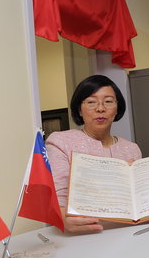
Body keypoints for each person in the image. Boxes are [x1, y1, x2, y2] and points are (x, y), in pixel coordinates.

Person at [46, 75, 142, 233]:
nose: (100, 108)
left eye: (109, 101)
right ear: (79, 109)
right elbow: (58, 197)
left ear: (117, 108)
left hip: (127, 231)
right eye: (91, 102)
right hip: (82, 234)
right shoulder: (60, 142)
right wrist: (64, 218)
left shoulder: (131, 149)